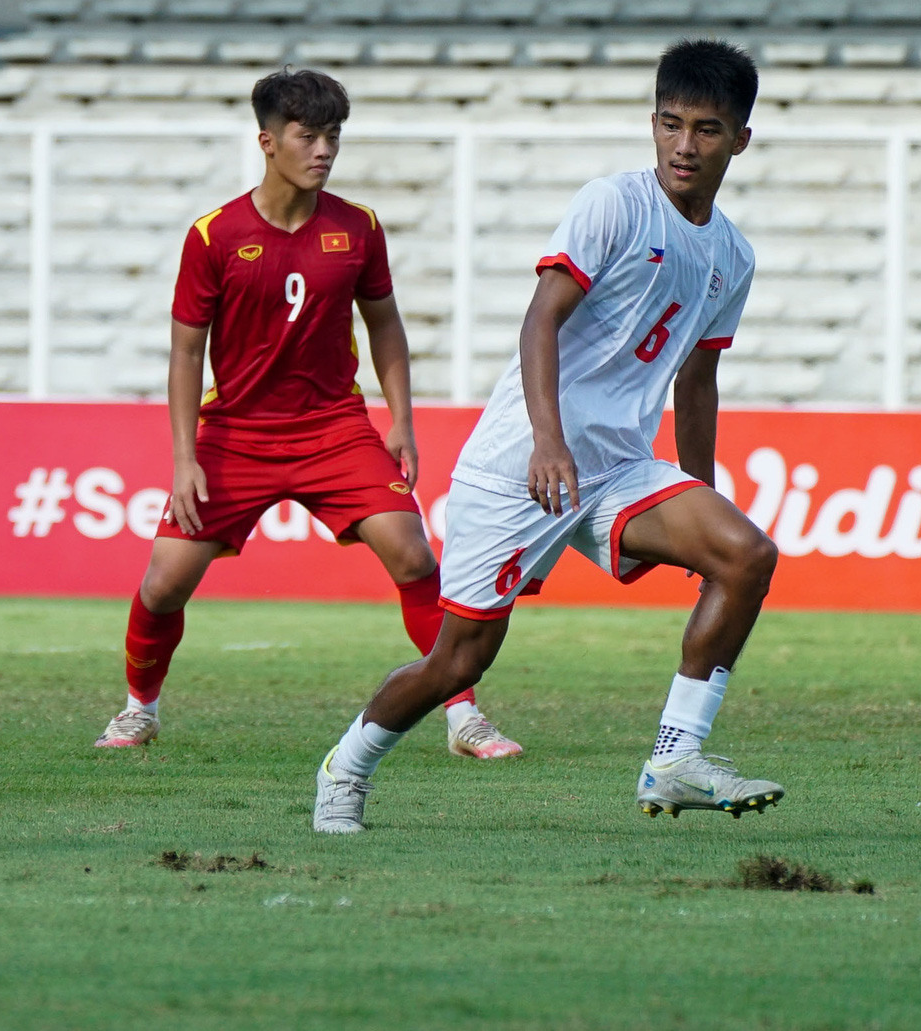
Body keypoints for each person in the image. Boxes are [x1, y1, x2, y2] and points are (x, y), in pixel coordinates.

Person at [313, 40, 781, 834]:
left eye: (706, 129)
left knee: (746, 554)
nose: (684, 145)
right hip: (519, 465)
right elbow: (542, 318)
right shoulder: (612, 203)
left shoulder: (731, 256)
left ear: (740, 137)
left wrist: (700, 493)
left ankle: (675, 758)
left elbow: (698, 381)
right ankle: (345, 767)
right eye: (670, 124)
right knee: (458, 661)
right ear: (653, 122)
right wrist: (546, 438)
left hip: (616, 467)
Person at [95, 69, 519, 760]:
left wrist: (400, 420)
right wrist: (184, 457)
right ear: (267, 141)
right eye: (308, 135)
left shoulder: (358, 228)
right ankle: (140, 707)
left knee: (414, 554)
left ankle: (463, 716)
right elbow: (184, 353)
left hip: (334, 429)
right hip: (236, 432)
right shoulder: (213, 235)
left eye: (333, 136)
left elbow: (385, 327)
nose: (323, 149)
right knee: (165, 581)